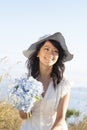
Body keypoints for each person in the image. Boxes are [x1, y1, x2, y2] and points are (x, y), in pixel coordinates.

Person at [19, 32, 73, 130]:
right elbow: (23, 116)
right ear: (38, 53)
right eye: (46, 49)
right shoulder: (25, 81)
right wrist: (26, 104)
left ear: (58, 56)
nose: (50, 54)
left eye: (55, 51)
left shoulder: (64, 83)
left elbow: (60, 119)